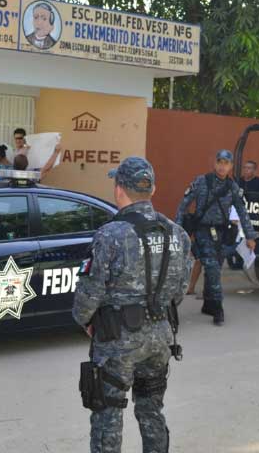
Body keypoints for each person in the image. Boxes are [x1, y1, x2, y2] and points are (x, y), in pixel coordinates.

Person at [73, 156, 192, 453]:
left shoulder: (111, 234)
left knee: (108, 414)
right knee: (151, 409)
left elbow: (89, 293)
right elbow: (180, 290)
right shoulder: (177, 233)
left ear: (119, 189)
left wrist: (86, 321)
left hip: (118, 341)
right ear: (152, 189)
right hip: (161, 336)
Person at [176, 150, 257, 326]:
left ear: (231, 166)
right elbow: (183, 206)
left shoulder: (233, 187)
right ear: (215, 163)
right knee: (212, 268)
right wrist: (179, 231)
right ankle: (218, 308)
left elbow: (243, 212)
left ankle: (208, 304)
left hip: (222, 234)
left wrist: (250, 236)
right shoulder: (201, 182)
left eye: (226, 163)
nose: (222, 166)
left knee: (214, 268)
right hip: (202, 232)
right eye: (219, 162)